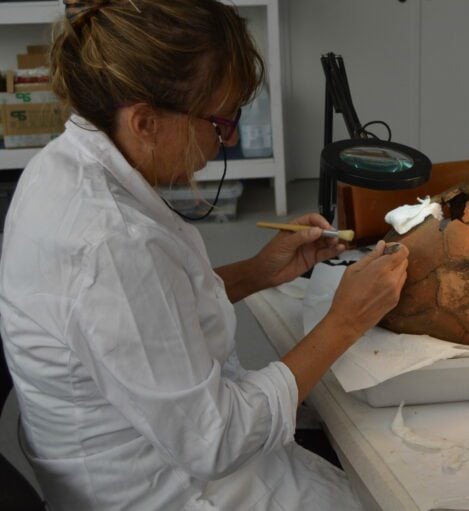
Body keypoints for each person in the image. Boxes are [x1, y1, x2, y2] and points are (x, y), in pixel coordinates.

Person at [0, 1, 409, 510]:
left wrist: (257, 272)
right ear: (145, 122)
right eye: (220, 122)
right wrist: (345, 322)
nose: (229, 137)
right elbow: (215, 441)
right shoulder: (109, 241)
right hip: (171, 490)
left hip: (156, 447)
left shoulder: (60, 163)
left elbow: (146, 314)